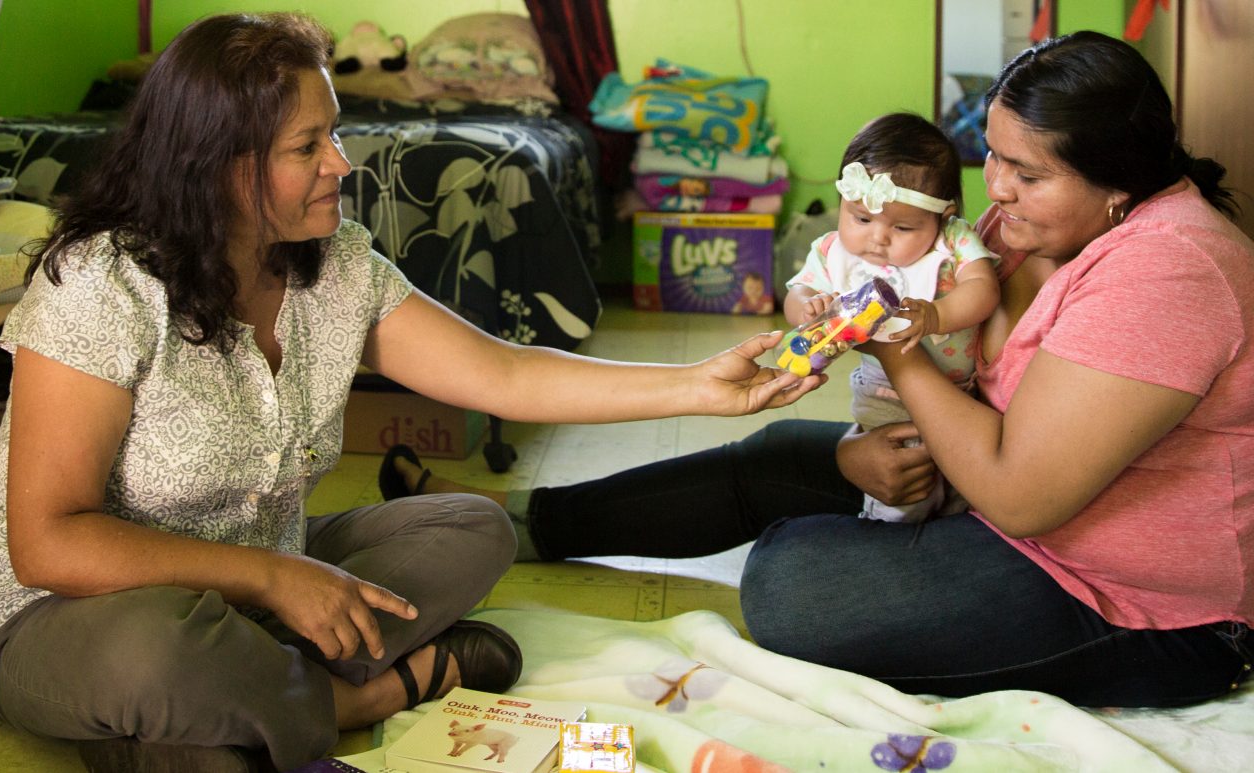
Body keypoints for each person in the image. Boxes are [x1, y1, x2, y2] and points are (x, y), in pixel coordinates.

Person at [0, 13, 821, 772]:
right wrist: (273, 579)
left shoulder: (334, 264)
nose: (342, 164)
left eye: (333, 135)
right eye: (308, 147)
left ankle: (234, 704)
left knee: (470, 525)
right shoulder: (100, 282)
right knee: (153, 655)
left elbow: (505, 374)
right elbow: (48, 545)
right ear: (217, 166)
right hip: (65, 617)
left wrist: (700, 386)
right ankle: (354, 698)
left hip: (258, 586)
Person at [382, 31, 1254, 709]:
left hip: (1129, 598)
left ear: (1118, 182)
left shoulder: (1167, 271)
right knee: (782, 455)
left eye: (1027, 173)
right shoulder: (1012, 234)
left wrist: (892, 350)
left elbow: (1024, 492)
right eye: (990, 156)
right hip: (981, 492)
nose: (997, 191)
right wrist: (864, 419)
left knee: (793, 583)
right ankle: (525, 523)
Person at [783, 113, 998, 522]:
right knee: (906, 491)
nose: (877, 238)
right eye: (861, 219)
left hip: (963, 396)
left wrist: (936, 314)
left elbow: (983, 289)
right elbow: (798, 291)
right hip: (884, 396)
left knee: (960, 491)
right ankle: (889, 536)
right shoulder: (833, 251)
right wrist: (809, 308)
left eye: (901, 226)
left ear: (942, 215)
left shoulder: (953, 240)